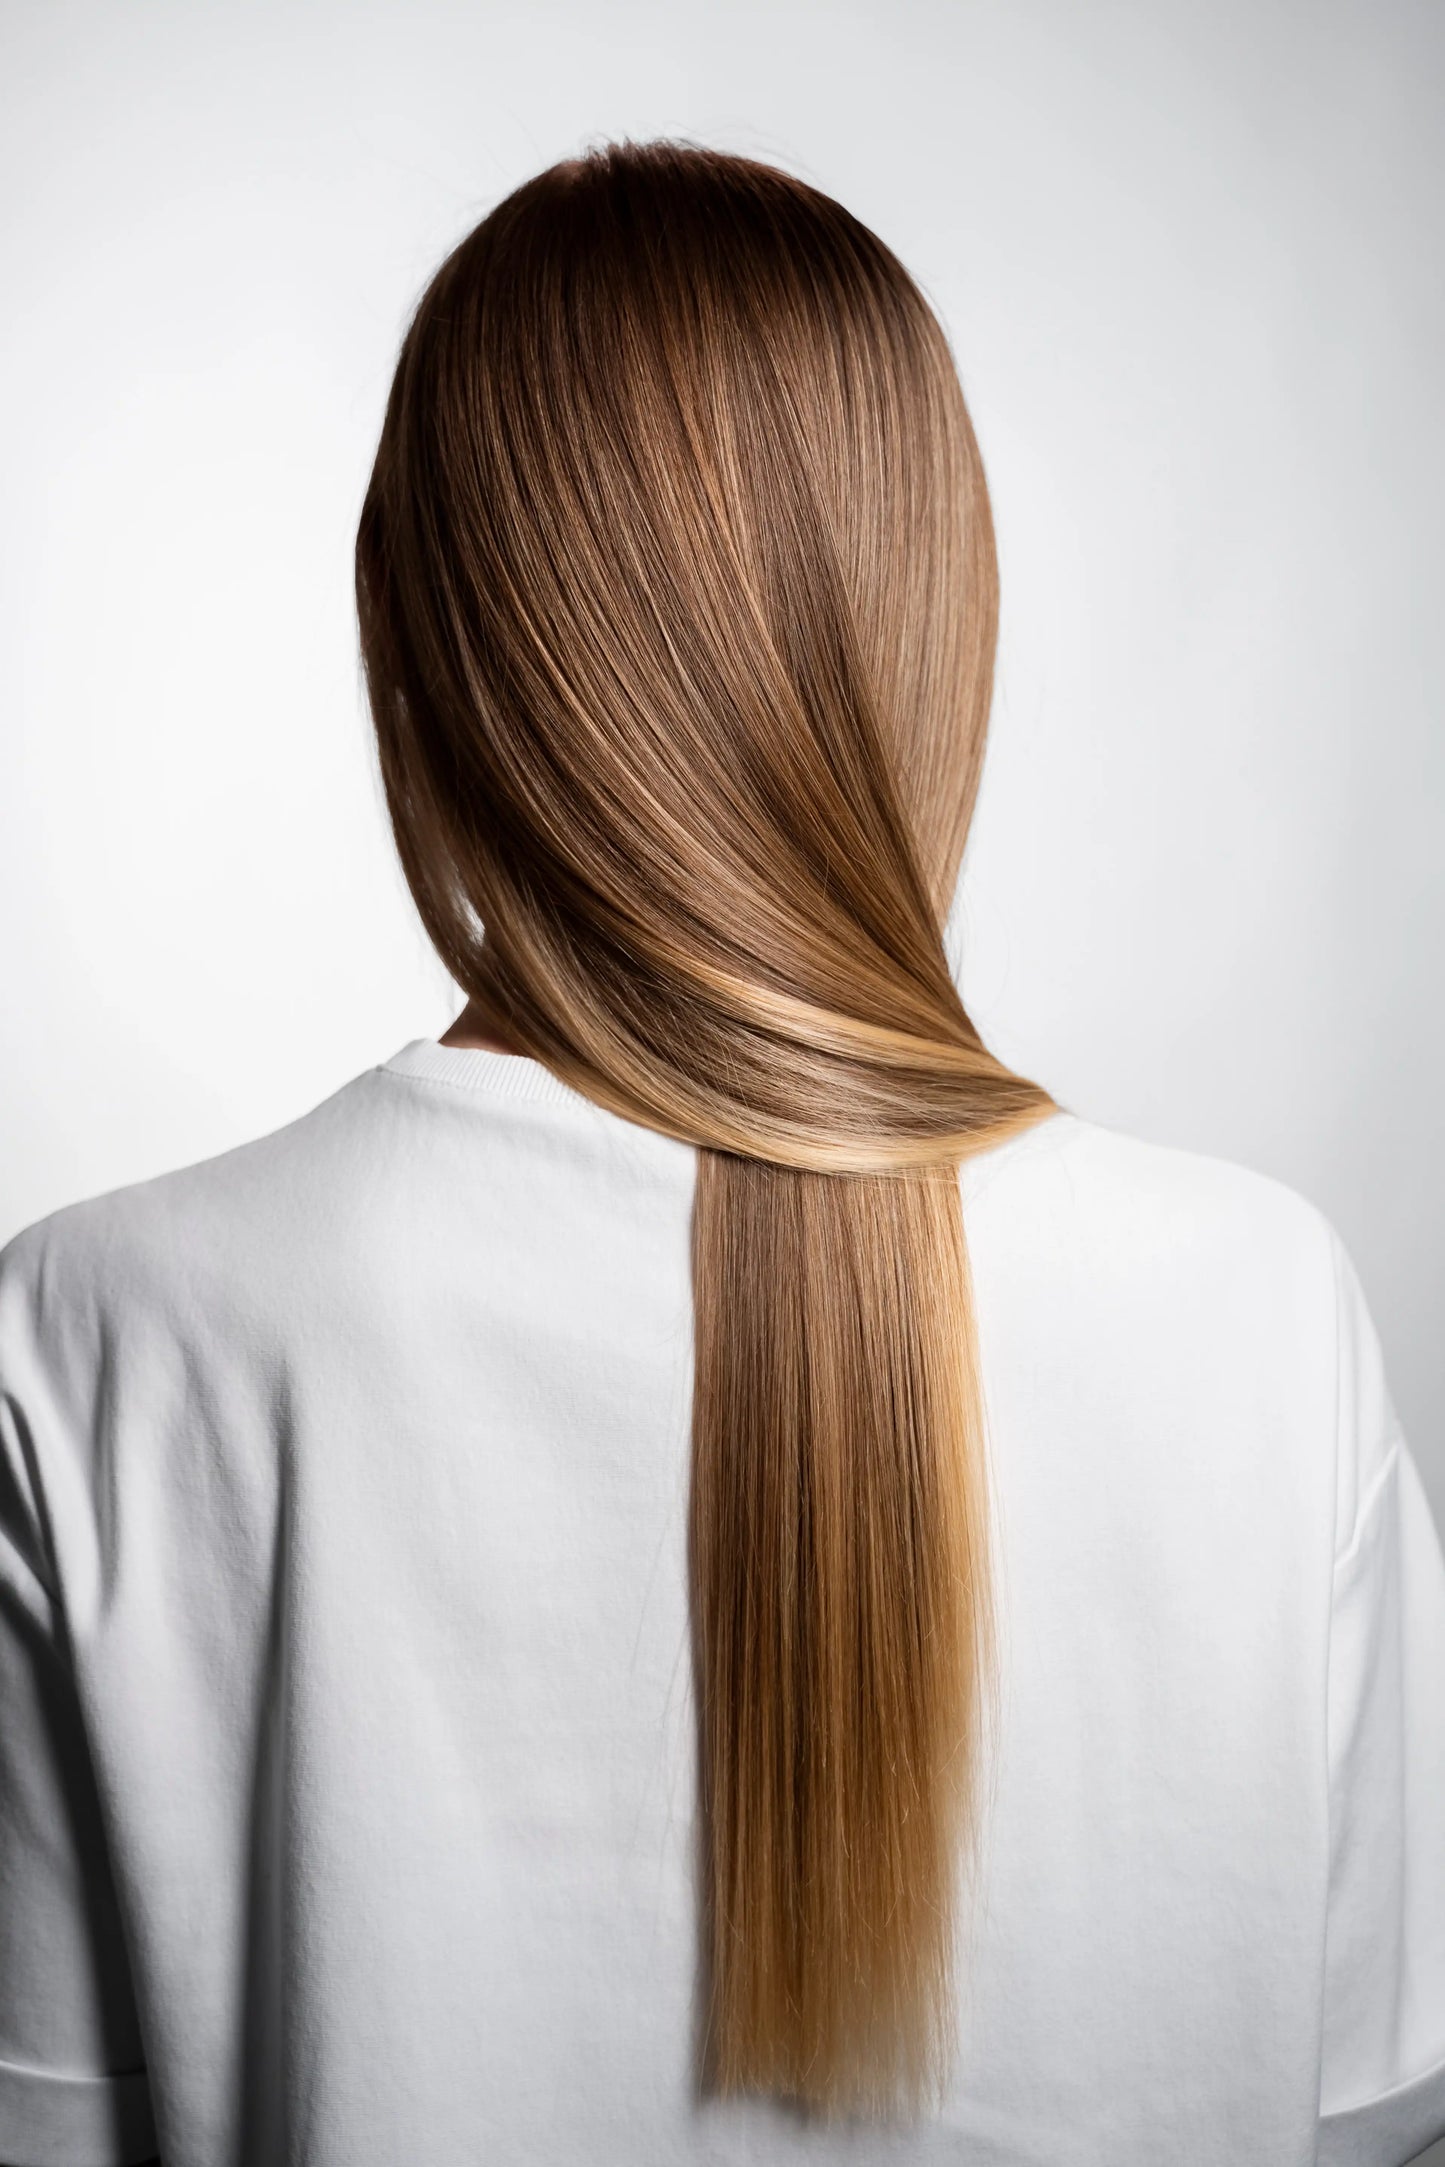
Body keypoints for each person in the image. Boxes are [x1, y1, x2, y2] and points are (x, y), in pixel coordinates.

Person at [0, 140, 1441, 2167]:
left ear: (412, 646)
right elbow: (1367, 2122)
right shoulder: (1259, 1318)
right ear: (939, 636)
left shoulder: (105, 1333)